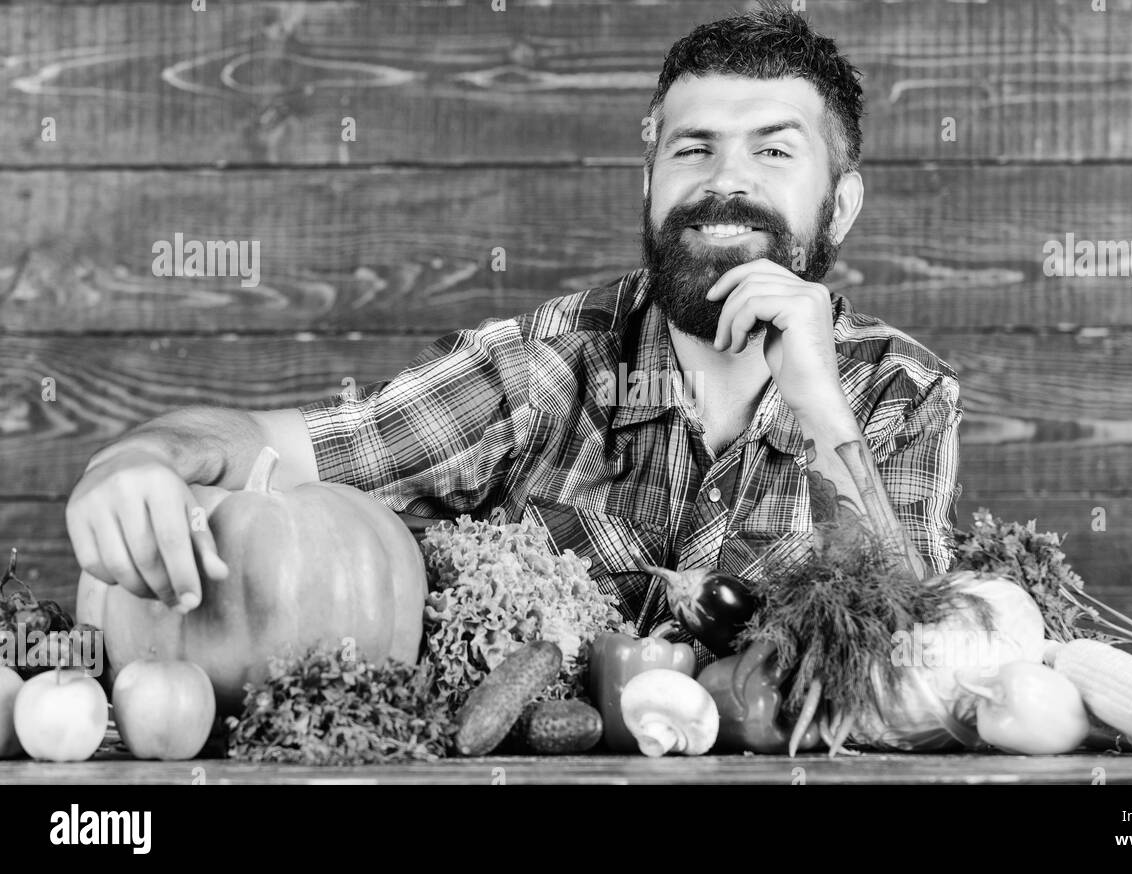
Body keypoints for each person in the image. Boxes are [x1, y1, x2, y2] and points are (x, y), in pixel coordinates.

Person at [65, 2, 963, 666]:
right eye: (693, 149)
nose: (723, 183)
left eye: (773, 150)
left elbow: (922, 661)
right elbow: (265, 449)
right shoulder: (541, 369)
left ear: (839, 205)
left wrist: (819, 403)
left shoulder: (900, 394)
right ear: (649, 182)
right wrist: (133, 463)